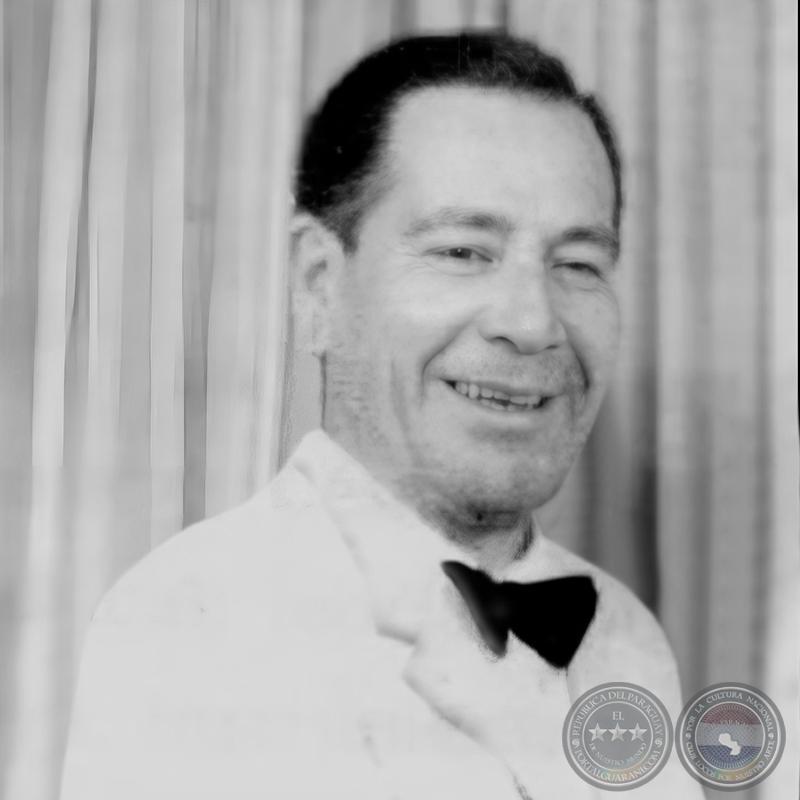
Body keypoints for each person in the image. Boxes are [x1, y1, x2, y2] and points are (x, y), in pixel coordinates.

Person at [60, 33, 703, 799]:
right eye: (463, 251)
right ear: (319, 285)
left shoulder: (626, 637)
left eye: (578, 264)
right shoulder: (190, 625)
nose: (533, 322)